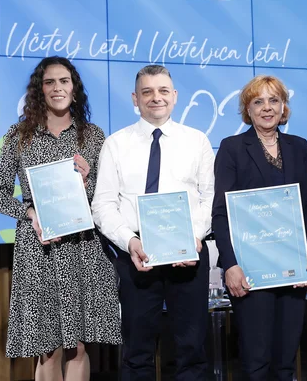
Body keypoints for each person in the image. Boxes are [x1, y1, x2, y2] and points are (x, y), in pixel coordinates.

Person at [0, 56, 121, 380]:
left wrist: (88, 180)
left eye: (64, 81)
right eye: (50, 82)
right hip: (39, 250)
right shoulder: (19, 135)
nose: (57, 88)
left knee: (77, 346)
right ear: (40, 90)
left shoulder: (93, 136)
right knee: (47, 347)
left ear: (74, 90)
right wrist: (29, 212)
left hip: (83, 249)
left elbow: (105, 199)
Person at [91, 64, 214, 381]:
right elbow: (103, 205)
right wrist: (130, 243)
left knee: (192, 351)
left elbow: (210, 197)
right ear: (135, 98)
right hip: (137, 256)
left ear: (174, 97)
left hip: (188, 257)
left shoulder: (197, 141)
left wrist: (194, 237)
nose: (155, 98)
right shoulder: (116, 144)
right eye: (147, 92)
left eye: (162, 91)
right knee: (137, 352)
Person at [212, 75, 307, 380]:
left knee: (286, 362)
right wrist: (230, 265)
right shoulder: (232, 148)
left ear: (283, 106)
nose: (267, 107)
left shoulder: (298, 147)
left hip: (292, 268)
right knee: (256, 362)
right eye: (258, 101)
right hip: (250, 271)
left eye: (274, 100)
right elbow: (220, 214)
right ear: (248, 109)